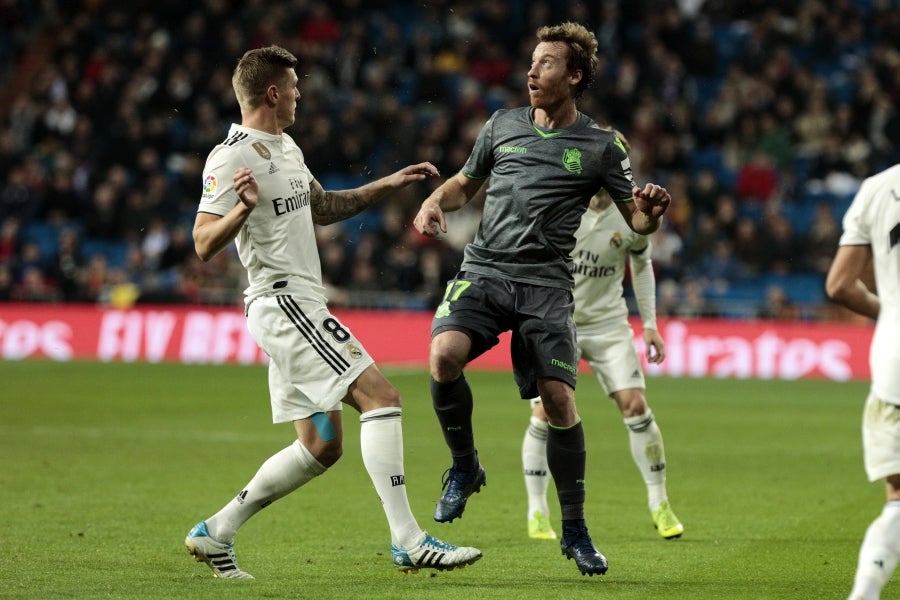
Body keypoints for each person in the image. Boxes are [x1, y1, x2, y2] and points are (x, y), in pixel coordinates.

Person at [184, 45, 481, 579]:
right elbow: (203, 242)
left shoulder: (287, 147)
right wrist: (243, 210)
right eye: (294, 87)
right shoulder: (231, 156)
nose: (300, 95)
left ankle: (216, 531)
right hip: (283, 301)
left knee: (322, 446)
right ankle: (408, 540)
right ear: (273, 92)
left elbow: (321, 207)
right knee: (382, 398)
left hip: (298, 303)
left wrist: (385, 186)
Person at [412, 23, 672, 577]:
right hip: (484, 270)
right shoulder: (502, 125)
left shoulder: (603, 146)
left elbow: (638, 222)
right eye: (532, 62)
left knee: (559, 402)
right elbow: (465, 182)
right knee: (441, 357)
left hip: (547, 286)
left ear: (574, 76)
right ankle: (464, 468)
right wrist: (437, 199)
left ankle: (574, 530)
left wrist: (653, 207)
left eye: (547, 63)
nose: (532, 71)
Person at [520, 130, 684, 543]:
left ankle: (659, 502)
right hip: (559, 323)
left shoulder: (632, 216)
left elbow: (642, 266)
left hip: (609, 325)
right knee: (543, 414)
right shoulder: (560, 204)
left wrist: (649, 324)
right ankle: (537, 509)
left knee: (636, 405)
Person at [825, 163, 900, 600]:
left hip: (893, 360)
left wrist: (889, 314)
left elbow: (838, 285)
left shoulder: (877, 187)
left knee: (897, 500)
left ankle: (864, 593)